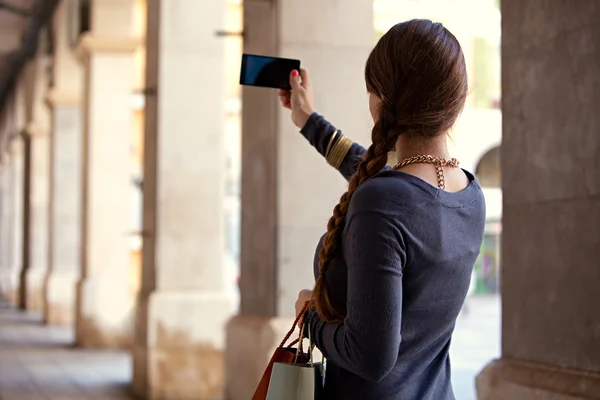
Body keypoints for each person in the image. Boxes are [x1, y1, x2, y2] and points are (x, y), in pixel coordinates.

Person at [278, 19, 486, 399]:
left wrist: (309, 313)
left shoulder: (382, 201)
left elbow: (370, 357)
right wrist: (309, 121)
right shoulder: (470, 195)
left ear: (379, 101)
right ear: (454, 100)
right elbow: (379, 173)